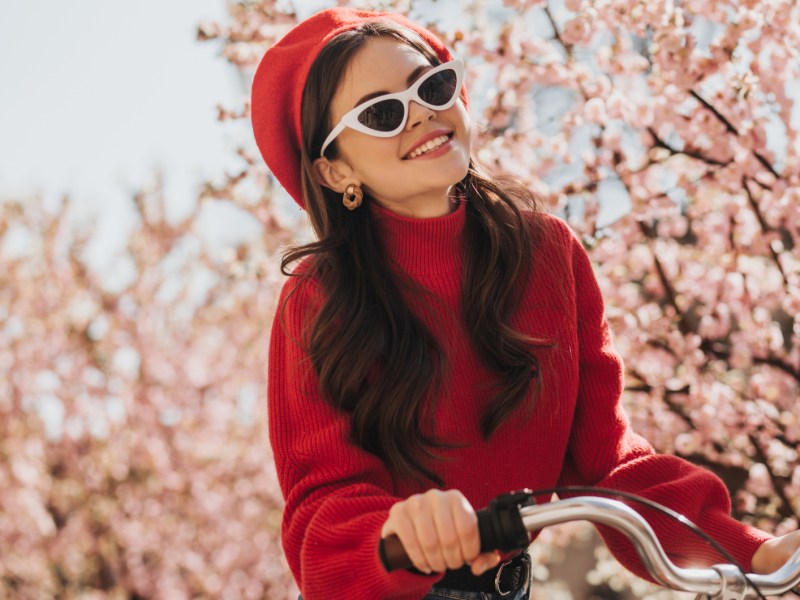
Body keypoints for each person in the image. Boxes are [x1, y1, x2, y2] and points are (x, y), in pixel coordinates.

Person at [250, 7, 800, 600]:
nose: (423, 114)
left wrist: (753, 550)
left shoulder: (547, 254)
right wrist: (398, 534)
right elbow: (322, 517)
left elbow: (609, 463)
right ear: (333, 171)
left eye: (432, 86)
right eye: (382, 114)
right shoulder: (317, 299)